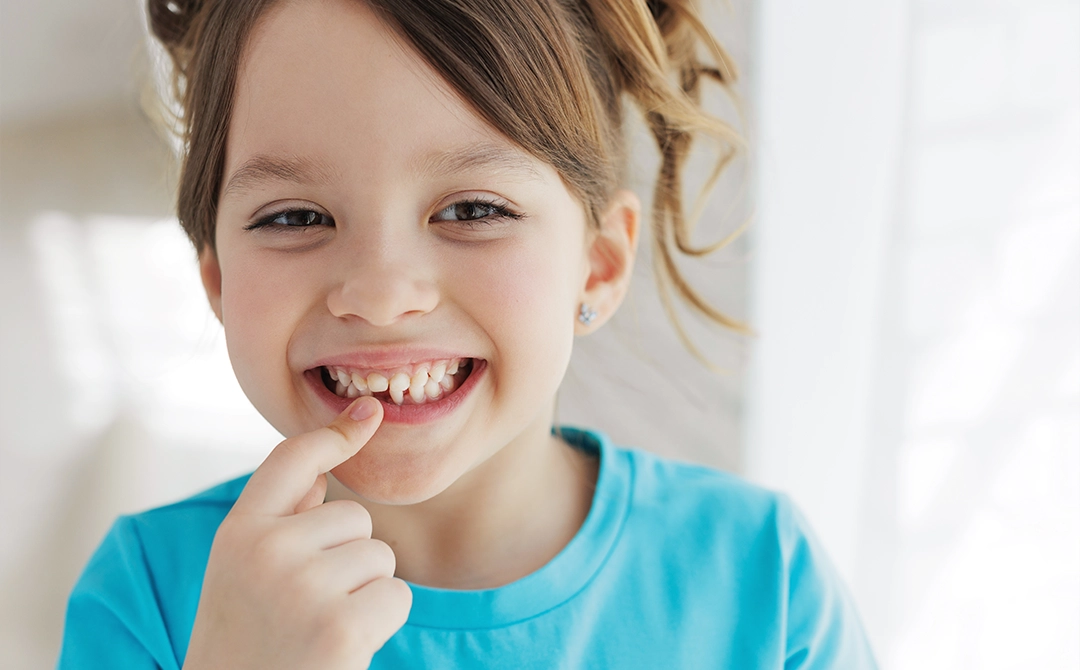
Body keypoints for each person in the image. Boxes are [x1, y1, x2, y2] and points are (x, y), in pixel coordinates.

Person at [58, 0, 878, 667]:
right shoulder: (151, 598)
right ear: (219, 283)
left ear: (596, 266)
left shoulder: (762, 579)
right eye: (295, 216)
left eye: (473, 210)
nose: (379, 298)